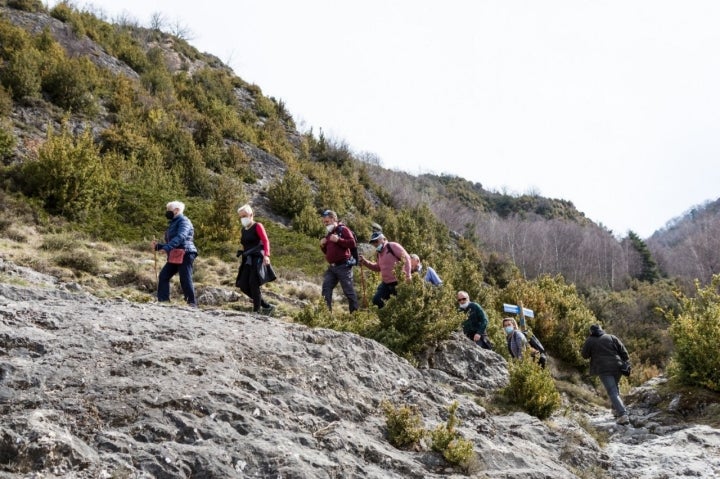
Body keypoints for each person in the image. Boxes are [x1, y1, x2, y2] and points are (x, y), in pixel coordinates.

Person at [581, 324, 631, 425]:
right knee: (615, 389)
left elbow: (584, 355)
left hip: (603, 368)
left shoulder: (590, 340)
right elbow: (624, 353)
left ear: (591, 332)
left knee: (612, 391)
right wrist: (625, 363)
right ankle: (616, 411)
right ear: (601, 329)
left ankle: (623, 414)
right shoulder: (611, 337)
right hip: (618, 367)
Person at [152, 200, 198, 307]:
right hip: (176, 253)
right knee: (164, 276)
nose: (167, 212)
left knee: (185, 278)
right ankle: (163, 301)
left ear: (176, 210)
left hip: (186, 253)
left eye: (169, 210)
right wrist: (159, 246)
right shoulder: (174, 222)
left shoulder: (184, 221)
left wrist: (167, 247)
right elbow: (174, 241)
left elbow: (181, 237)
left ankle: (192, 303)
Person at [236, 204, 274, 313]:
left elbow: (265, 241)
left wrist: (267, 255)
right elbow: (245, 244)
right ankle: (266, 306)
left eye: (245, 215)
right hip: (247, 259)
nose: (243, 218)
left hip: (258, 258)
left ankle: (256, 311)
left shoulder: (258, 226)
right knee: (243, 285)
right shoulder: (243, 230)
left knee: (253, 283)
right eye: (241, 216)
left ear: (251, 214)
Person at [359, 231, 411, 308]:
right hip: (386, 284)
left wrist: (408, 275)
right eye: (373, 242)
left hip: (398, 282)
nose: (375, 244)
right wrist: (365, 262)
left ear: (383, 239)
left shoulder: (392, 246)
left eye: (376, 241)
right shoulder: (379, 253)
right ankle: (387, 317)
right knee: (377, 301)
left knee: (401, 305)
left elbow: (407, 258)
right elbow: (378, 267)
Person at [320, 210, 359, 313]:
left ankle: (355, 316)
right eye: (324, 222)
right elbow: (327, 252)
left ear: (333, 219)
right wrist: (322, 245)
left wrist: (338, 240)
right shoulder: (329, 234)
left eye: (327, 221)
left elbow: (352, 243)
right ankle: (325, 314)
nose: (325, 224)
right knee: (326, 288)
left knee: (348, 292)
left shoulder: (343, 229)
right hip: (332, 267)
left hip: (343, 266)